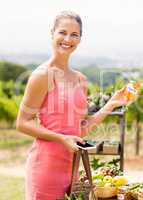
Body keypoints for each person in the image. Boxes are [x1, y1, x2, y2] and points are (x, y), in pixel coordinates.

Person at [16, 11, 129, 200]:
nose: (67, 39)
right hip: (45, 168)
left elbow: (81, 130)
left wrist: (111, 104)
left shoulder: (80, 79)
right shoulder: (42, 75)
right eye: (62, 32)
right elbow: (22, 123)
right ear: (52, 34)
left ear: (80, 39)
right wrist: (61, 139)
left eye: (74, 34)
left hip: (72, 167)